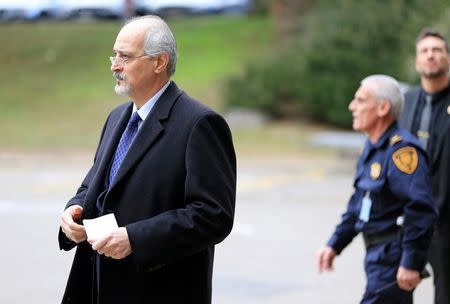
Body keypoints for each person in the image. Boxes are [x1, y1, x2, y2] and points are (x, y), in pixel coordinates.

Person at [58, 16, 236, 304]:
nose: (115, 65)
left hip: (157, 290)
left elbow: (213, 215)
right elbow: (95, 184)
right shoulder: (117, 117)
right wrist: (74, 210)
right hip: (95, 286)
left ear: (159, 62)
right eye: (114, 56)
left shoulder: (200, 124)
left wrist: (135, 239)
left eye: (125, 57)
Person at [317, 75, 437, 304]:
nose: (352, 106)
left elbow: (421, 208)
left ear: (383, 108)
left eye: (361, 100)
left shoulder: (402, 152)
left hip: (392, 258)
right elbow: (359, 205)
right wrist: (335, 243)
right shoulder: (372, 147)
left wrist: (411, 262)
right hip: (376, 257)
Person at [399, 29, 450, 304]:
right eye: (425, 51)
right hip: (410, 222)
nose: (431, 55)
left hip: (446, 224)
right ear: (417, 61)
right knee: (397, 291)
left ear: (448, 58)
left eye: (438, 50)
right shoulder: (406, 102)